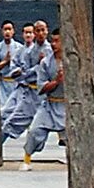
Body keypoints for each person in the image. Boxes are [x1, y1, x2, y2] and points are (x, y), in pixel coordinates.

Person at [18, 31, 67, 169]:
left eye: (57, 41)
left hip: (68, 105)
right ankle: (27, 159)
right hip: (49, 104)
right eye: (52, 40)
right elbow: (42, 87)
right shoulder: (45, 62)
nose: (53, 44)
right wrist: (56, 82)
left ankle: (76, 161)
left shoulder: (73, 60)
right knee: (35, 131)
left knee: (74, 135)